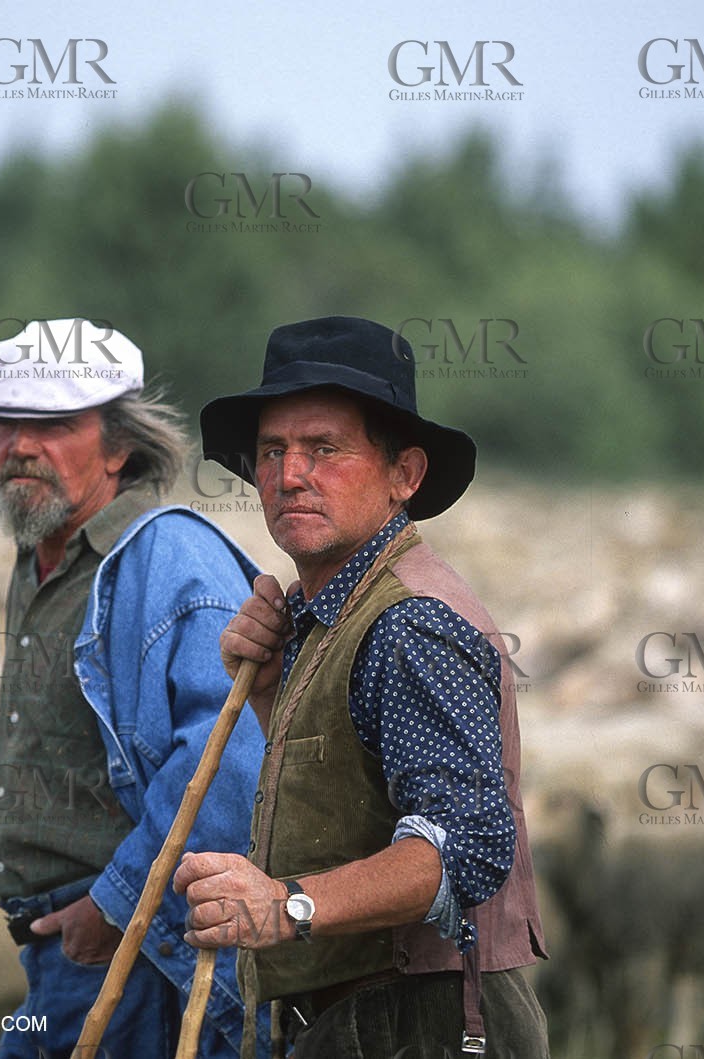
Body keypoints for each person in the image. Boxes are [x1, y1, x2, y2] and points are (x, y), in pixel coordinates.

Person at [173, 315, 549, 1058]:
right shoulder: (329, 612)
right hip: (362, 1020)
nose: (289, 475)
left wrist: (287, 905)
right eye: (273, 451)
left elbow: (463, 845)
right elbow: (353, 790)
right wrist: (270, 690)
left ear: (403, 475)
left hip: (422, 1024)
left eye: (324, 449)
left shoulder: (409, 625)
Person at [0, 317, 270, 1059]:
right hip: (60, 948)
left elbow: (228, 758)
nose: (21, 446)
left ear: (120, 445)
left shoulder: (167, 558)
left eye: (56, 424)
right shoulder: (44, 554)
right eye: (5, 422)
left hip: (139, 952)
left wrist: (115, 903)